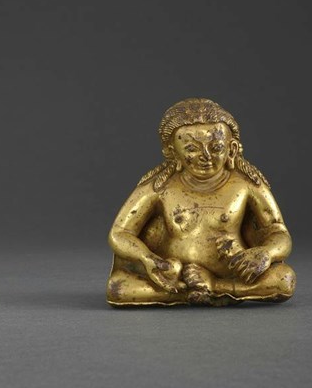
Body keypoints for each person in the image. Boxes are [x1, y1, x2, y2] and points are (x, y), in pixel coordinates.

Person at [107, 98, 296, 306]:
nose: (205, 156)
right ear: (172, 152)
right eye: (192, 149)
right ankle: (188, 292)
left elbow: (278, 232)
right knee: (118, 288)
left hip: (232, 273)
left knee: (284, 279)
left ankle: (215, 287)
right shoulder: (159, 187)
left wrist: (265, 253)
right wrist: (148, 259)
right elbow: (119, 233)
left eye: (216, 147)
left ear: (232, 149)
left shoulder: (246, 185)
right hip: (173, 275)